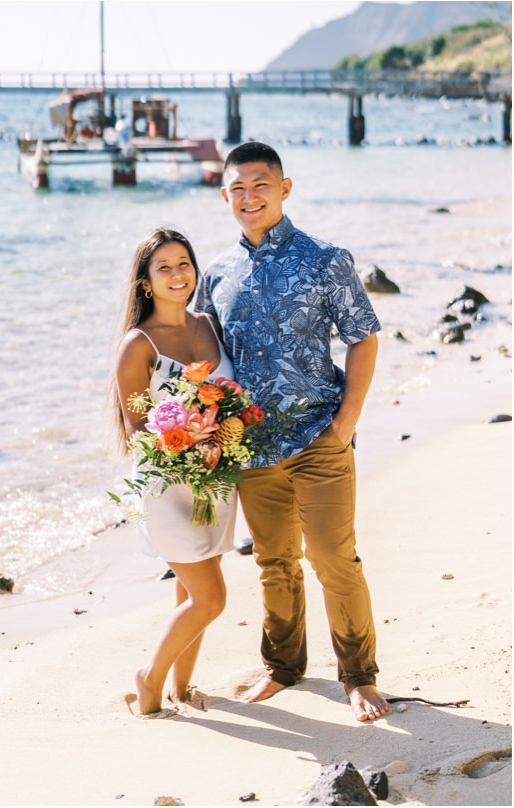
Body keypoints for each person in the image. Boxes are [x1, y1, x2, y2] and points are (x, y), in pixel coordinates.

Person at [195, 141, 387, 722]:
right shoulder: (216, 274)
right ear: (224, 195)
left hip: (318, 436)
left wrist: (347, 419)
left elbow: (363, 335)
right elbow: (203, 360)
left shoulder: (325, 259)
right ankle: (283, 667)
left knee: (334, 557)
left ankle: (359, 675)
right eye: (237, 188)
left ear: (285, 188)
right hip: (252, 448)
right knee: (274, 561)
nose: (248, 197)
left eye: (260, 184)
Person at [113, 228, 236, 716]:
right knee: (211, 598)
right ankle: (149, 678)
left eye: (183, 263)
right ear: (145, 282)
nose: (176, 274)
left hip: (217, 480)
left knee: (192, 591)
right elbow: (137, 426)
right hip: (169, 486)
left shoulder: (209, 323)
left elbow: (231, 395)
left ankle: (181, 690)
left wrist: (224, 432)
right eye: (163, 267)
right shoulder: (137, 345)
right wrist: (185, 439)